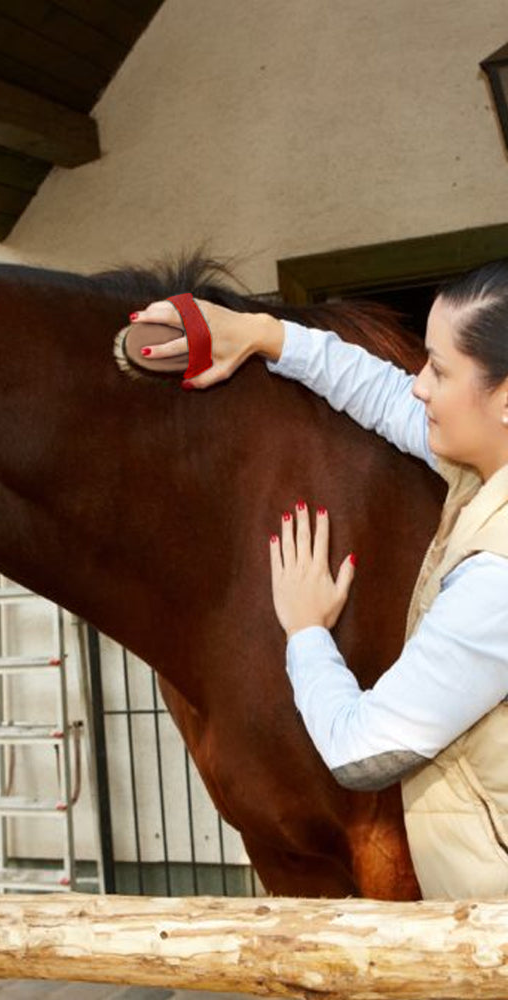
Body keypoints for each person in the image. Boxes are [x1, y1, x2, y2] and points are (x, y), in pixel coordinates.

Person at [128, 263, 508, 899]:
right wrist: (262, 334)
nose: (419, 385)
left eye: (440, 371)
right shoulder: (487, 465)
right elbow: (385, 395)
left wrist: (305, 632)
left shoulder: (497, 581)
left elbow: (363, 750)